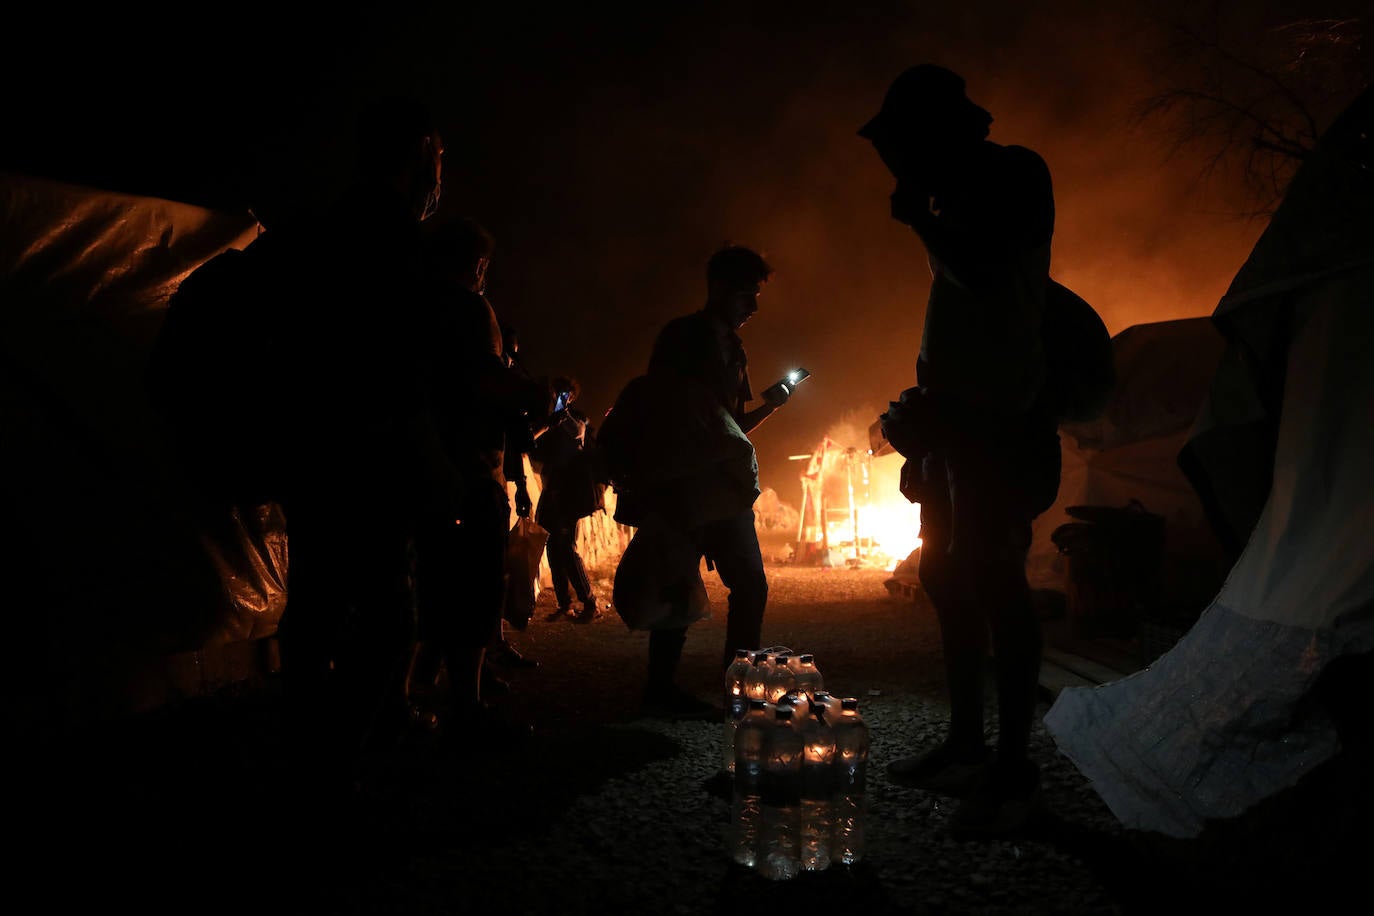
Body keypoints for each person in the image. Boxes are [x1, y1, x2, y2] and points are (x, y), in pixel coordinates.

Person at [861, 65, 1063, 838]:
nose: (903, 168)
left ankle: (1012, 763)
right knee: (947, 573)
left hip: (1000, 423)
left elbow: (982, 277)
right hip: (956, 426)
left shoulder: (1013, 174)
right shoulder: (957, 196)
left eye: (907, 147)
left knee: (995, 578)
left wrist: (922, 220)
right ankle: (968, 743)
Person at [269, 93, 462, 809]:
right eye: (438, 156)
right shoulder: (391, 234)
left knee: (315, 605)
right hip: (366, 457)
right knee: (387, 619)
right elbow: (395, 363)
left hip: (309, 451)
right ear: (419, 152)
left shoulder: (326, 226)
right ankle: (331, 765)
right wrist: (429, 456)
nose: (440, 172)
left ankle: (309, 749)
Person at [600, 244, 796, 719]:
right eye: (746, 294)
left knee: (750, 584)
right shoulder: (684, 338)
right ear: (719, 289)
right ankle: (662, 689)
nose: (753, 306)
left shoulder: (732, 345)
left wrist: (771, 404)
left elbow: (729, 427)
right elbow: (667, 413)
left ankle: (740, 688)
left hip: (722, 491)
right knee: (675, 584)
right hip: (685, 489)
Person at [408, 214, 549, 739]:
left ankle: (409, 697)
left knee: (430, 587)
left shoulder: (406, 306)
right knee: (472, 589)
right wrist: (535, 396)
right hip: (467, 469)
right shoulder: (469, 309)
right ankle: (465, 706)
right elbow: (487, 382)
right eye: (482, 263)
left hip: (420, 470)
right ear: (473, 264)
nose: (484, 272)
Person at [533, 375, 605, 623]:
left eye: (567, 393)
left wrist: (559, 416)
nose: (562, 397)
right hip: (553, 488)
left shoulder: (576, 419)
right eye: (559, 392)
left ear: (573, 396)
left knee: (566, 546)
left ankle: (590, 602)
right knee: (554, 547)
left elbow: (577, 433)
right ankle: (566, 602)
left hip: (569, 492)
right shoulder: (549, 418)